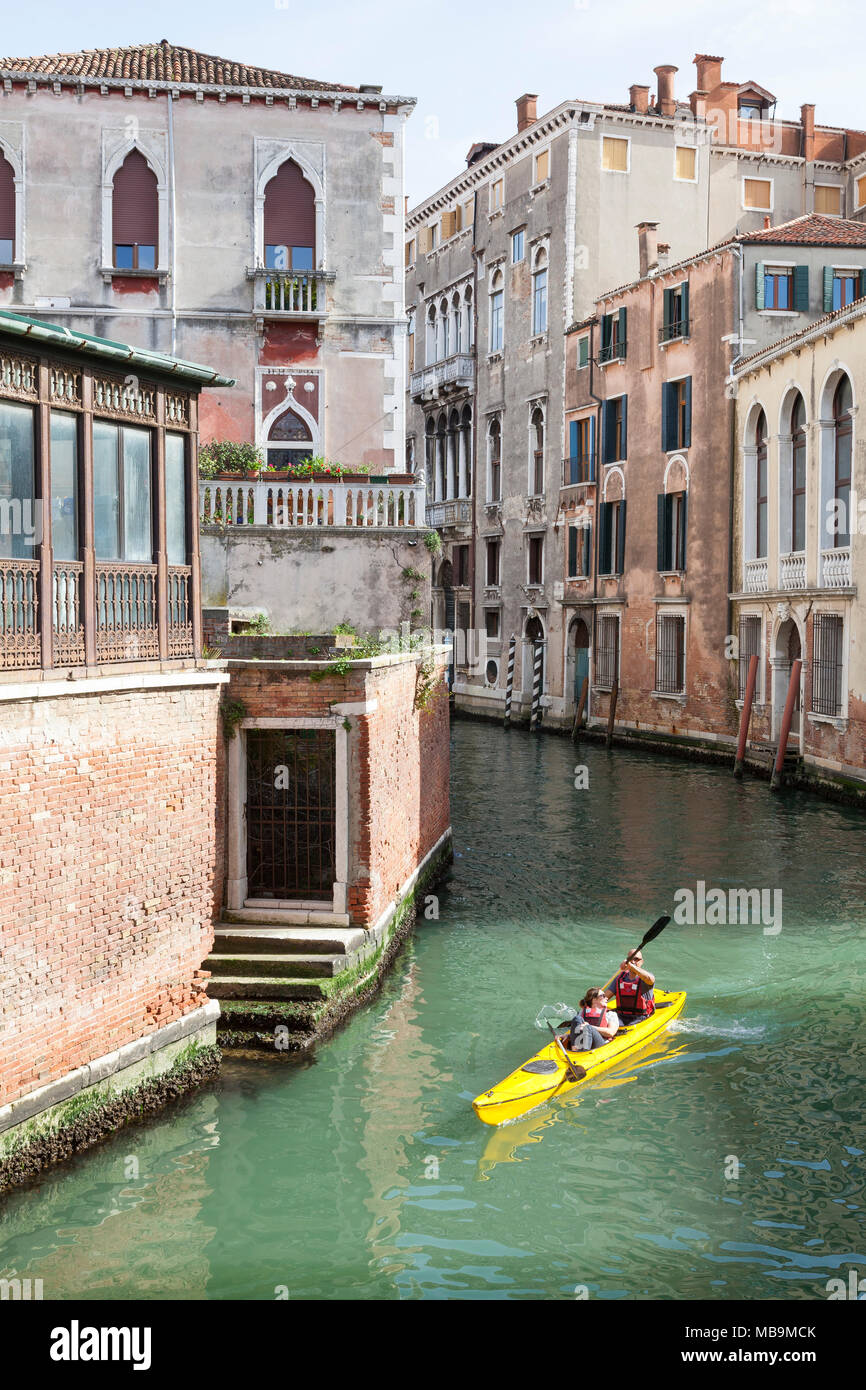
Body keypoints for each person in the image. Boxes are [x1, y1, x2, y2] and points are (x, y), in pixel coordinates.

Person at [605, 949, 655, 1020]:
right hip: (621, 1016)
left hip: (640, 1017)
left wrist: (631, 966)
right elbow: (605, 997)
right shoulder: (619, 978)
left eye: (636, 959)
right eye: (630, 959)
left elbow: (650, 980)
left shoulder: (646, 978)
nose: (633, 961)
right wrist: (592, 1000)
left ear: (642, 962)